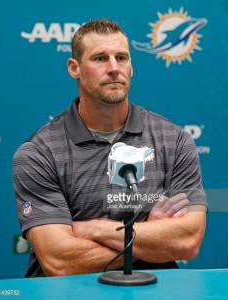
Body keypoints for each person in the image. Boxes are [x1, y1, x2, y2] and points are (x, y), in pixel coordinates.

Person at [12, 18, 207, 277]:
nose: (114, 68)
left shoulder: (175, 141)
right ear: (74, 68)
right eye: (100, 58)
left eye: (122, 58)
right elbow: (59, 260)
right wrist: (146, 234)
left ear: (131, 67)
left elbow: (188, 240)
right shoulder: (39, 153)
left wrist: (91, 229)